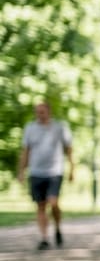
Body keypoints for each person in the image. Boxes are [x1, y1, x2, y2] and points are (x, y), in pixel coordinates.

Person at [18, 101, 74, 250]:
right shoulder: (30, 128)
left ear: (49, 112)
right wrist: (21, 171)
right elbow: (26, 151)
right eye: (37, 112)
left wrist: (72, 168)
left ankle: (57, 227)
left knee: (53, 202)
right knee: (41, 206)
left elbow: (69, 148)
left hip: (55, 171)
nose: (39, 115)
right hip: (36, 172)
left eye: (42, 112)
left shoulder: (60, 127)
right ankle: (44, 238)